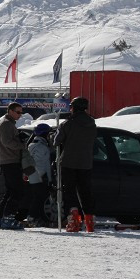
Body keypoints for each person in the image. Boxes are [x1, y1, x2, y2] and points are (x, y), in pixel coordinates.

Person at [54, 96, 97, 232]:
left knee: (70, 191)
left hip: (69, 162)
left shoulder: (68, 123)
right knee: (86, 192)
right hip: (86, 163)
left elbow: (56, 141)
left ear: (74, 108)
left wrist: (54, 135)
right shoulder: (92, 123)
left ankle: (74, 221)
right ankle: (89, 222)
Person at [0, 102, 28, 229]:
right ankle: (7, 218)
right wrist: (22, 145)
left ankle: (1, 218)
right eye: (18, 112)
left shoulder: (9, 124)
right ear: (10, 111)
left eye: (21, 112)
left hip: (9, 160)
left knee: (10, 191)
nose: (20, 115)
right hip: (10, 161)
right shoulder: (6, 124)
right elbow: (7, 142)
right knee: (17, 191)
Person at [25, 123, 53, 227]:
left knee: (40, 198)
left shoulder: (36, 145)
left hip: (36, 177)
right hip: (39, 178)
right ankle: (33, 217)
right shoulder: (40, 146)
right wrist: (45, 177)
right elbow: (40, 164)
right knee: (39, 198)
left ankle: (36, 217)